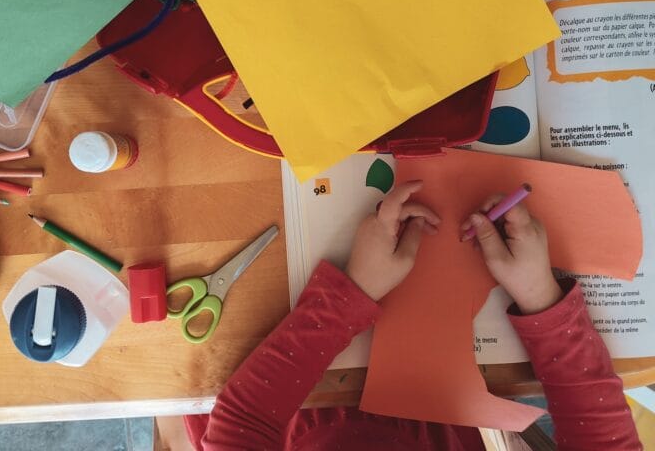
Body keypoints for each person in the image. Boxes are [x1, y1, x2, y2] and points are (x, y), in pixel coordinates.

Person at [182, 181, 642, 450]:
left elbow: (242, 422)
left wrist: (351, 294)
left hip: (299, 413)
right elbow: (604, 439)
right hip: (438, 415)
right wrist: (541, 298)